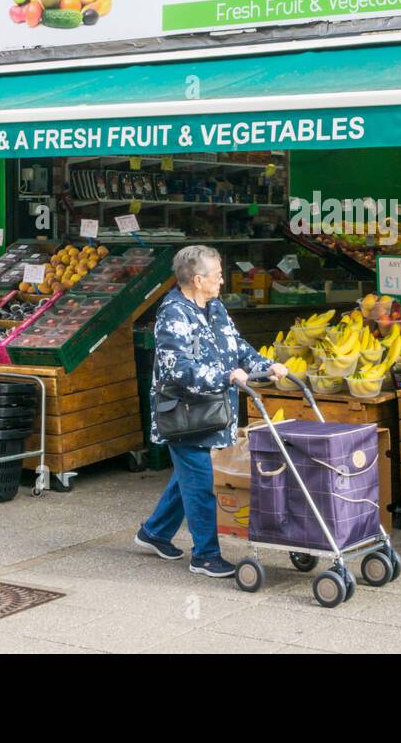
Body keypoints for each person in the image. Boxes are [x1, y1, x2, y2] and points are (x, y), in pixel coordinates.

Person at [135, 245, 288, 577]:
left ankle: (155, 531)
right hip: (183, 413)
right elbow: (178, 370)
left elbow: (237, 345)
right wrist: (225, 376)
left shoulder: (214, 307)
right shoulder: (174, 314)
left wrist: (266, 365)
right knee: (201, 482)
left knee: (189, 476)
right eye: (217, 275)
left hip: (210, 410)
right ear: (198, 278)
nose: (222, 280)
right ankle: (204, 555)